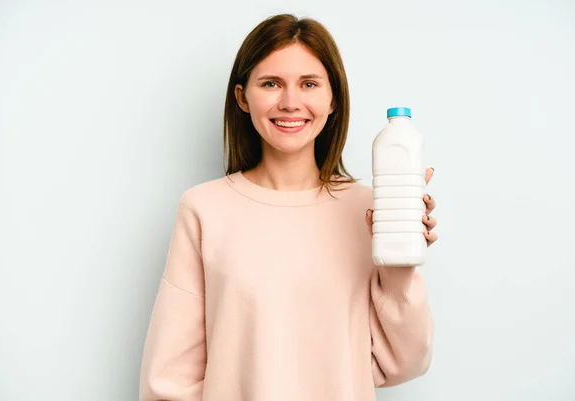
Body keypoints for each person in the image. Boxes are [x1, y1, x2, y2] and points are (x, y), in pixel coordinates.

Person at [139, 13, 438, 401]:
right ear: (242, 97)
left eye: (309, 84)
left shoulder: (369, 211)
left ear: (333, 100)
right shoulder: (204, 210)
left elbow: (405, 362)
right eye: (271, 83)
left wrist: (400, 263)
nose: (290, 102)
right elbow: (169, 379)